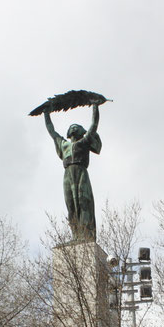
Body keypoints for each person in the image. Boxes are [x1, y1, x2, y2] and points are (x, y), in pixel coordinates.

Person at [44, 103, 101, 242]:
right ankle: (76, 235)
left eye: (77, 126)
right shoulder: (63, 144)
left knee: (83, 203)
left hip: (81, 172)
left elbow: (94, 125)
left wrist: (95, 106)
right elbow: (52, 131)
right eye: (71, 126)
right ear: (68, 133)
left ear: (82, 131)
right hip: (68, 174)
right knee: (71, 205)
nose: (73, 126)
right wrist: (46, 113)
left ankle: (86, 235)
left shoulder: (84, 141)